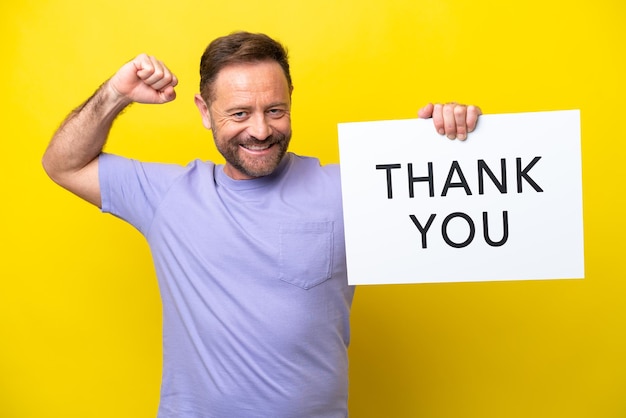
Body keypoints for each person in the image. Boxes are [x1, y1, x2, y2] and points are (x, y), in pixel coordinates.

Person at [42, 32, 481, 418]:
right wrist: (116, 92)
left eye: (275, 110)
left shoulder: (347, 190)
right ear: (204, 111)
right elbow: (62, 164)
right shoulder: (167, 196)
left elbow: (456, 197)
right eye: (238, 114)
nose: (260, 130)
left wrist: (450, 144)